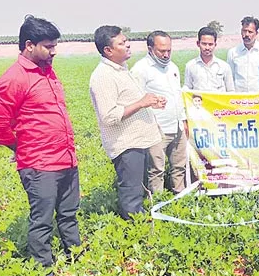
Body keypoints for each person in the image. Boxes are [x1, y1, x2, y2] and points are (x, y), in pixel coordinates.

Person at [0, 15, 80, 274]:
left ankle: (78, 259)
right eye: (48, 46)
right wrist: (22, 147)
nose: (54, 51)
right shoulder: (13, 78)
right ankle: (44, 272)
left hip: (66, 158)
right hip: (39, 165)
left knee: (69, 214)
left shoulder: (48, 72)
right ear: (29, 45)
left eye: (54, 46)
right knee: (42, 221)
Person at [89, 25, 164, 219]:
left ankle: (141, 227)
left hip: (138, 141)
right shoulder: (103, 76)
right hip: (126, 145)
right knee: (132, 196)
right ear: (108, 50)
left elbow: (129, 103)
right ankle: (134, 235)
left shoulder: (121, 70)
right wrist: (141, 103)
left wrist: (150, 102)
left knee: (139, 191)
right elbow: (109, 116)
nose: (128, 45)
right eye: (122, 43)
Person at [131, 30, 188, 195]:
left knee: (179, 165)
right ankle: (158, 202)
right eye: (162, 51)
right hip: (156, 128)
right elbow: (136, 99)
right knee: (156, 168)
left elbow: (178, 95)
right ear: (150, 49)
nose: (166, 54)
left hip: (176, 126)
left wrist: (183, 121)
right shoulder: (141, 69)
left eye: (169, 50)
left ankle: (180, 196)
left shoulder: (173, 67)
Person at [184, 27, 234, 92]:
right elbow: (187, 89)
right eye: (204, 44)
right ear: (198, 44)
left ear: (215, 44)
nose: (207, 47)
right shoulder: (190, 66)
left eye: (210, 44)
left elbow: (230, 91)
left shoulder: (224, 66)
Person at [227, 16, 259, 92]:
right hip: (239, 98)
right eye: (244, 31)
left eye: (250, 32)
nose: (246, 34)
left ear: (256, 33)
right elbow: (230, 77)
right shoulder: (233, 52)